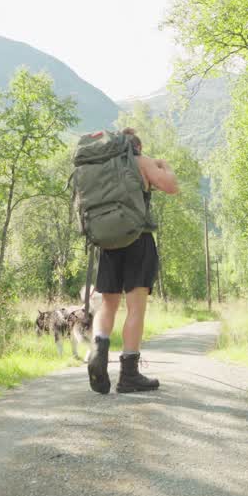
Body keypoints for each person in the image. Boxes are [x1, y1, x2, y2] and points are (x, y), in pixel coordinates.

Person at [87, 128, 179, 394]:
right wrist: (165, 166)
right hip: (138, 239)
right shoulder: (141, 161)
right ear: (136, 146)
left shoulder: (104, 167)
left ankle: (98, 352)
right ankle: (128, 375)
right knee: (135, 307)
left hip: (108, 242)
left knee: (108, 303)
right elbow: (171, 186)